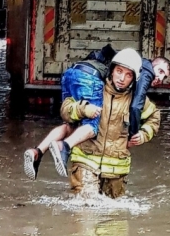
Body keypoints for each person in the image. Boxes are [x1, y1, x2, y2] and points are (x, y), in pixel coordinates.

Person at [64, 54, 161, 199]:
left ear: (134, 79)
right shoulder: (93, 88)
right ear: (111, 71)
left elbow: (155, 117)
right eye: (119, 71)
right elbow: (65, 110)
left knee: (114, 219)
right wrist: (82, 109)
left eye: (128, 75)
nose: (122, 79)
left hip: (116, 173)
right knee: (86, 211)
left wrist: (144, 134)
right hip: (85, 162)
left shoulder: (137, 101)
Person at [22, 44, 123, 181]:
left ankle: (37, 152)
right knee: (94, 123)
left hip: (69, 74)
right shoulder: (114, 67)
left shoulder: (93, 58)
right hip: (90, 78)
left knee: (70, 124)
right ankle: (64, 146)